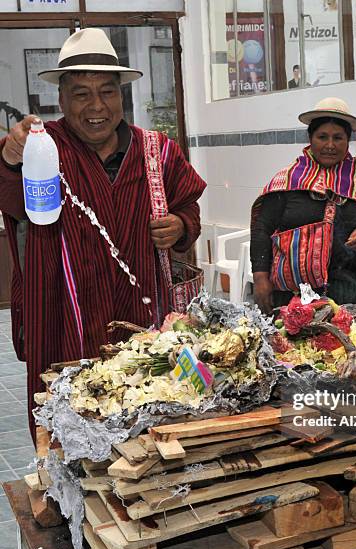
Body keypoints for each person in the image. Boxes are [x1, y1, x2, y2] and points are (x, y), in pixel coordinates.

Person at [0, 28, 206, 443]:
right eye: (81, 93)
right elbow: (8, 193)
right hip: (61, 319)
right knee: (66, 426)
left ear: (121, 96)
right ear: (61, 99)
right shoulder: (41, 147)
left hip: (142, 318)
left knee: (148, 422)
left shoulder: (157, 151)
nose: (97, 106)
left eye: (107, 92)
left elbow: (190, 208)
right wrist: (9, 156)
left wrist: (181, 226)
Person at [251, 97, 356, 314]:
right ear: (310, 139)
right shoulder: (288, 180)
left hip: (355, 291)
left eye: (338, 138)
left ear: (348, 141)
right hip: (294, 296)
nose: (330, 145)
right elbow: (262, 229)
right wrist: (260, 278)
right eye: (322, 137)